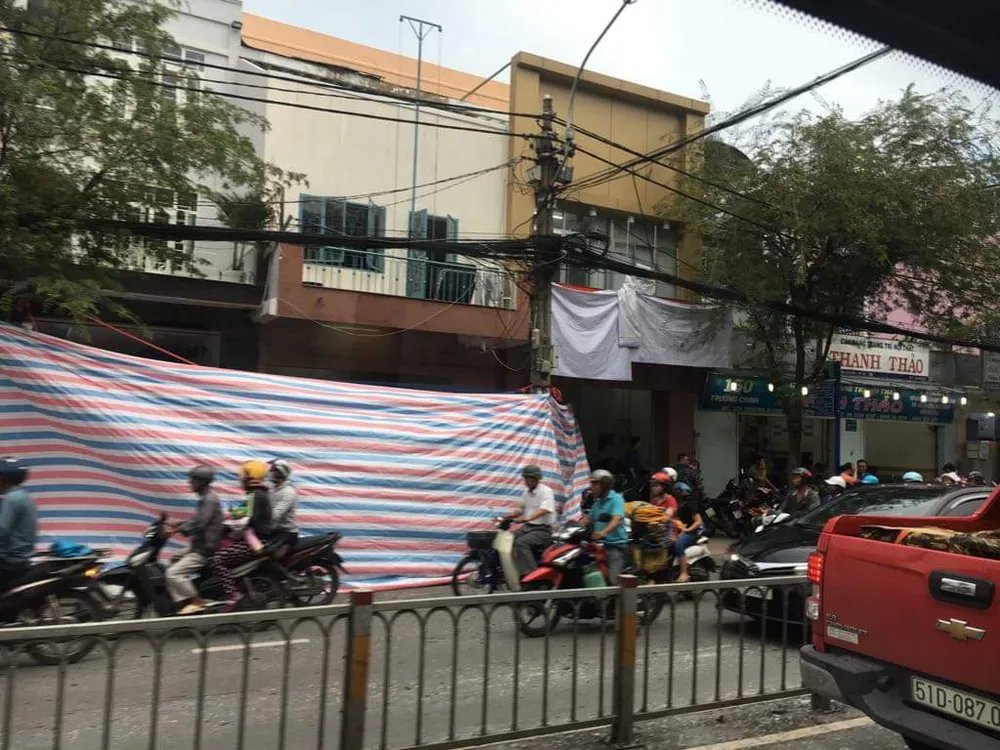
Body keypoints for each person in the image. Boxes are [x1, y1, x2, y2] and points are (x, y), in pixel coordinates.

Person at [213, 460, 274, 609]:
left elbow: (249, 519)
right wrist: (230, 515)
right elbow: (244, 510)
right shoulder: (258, 494)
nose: (240, 480)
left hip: (256, 543)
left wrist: (229, 525)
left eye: (243, 477)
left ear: (249, 477)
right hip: (256, 539)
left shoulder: (256, 495)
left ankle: (233, 595)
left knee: (217, 559)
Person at [164, 465, 223, 615]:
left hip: (204, 549)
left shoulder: (209, 499)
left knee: (172, 573)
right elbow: (198, 519)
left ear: (202, 482)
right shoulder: (206, 497)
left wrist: (177, 529)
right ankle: (184, 598)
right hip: (198, 545)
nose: (190, 483)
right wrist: (178, 524)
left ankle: (197, 601)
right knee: (175, 559)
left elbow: (201, 523)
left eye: (193, 480)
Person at [506, 465, 556, 576]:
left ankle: (533, 575)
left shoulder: (546, 491)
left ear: (537, 478)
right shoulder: (526, 493)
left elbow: (543, 510)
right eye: (526, 478)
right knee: (508, 538)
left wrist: (528, 518)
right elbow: (519, 510)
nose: (527, 481)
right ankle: (515, 572)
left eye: (530, 478)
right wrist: (506, 517)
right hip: (528, 527)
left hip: (543, 530)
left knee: (521, 542)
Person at [584, 469, 629, 584]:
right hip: (599, 546)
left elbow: (616, 519)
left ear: (605, 485)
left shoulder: (616, 499)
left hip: (615, 546)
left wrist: (603, 533)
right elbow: (587, 519)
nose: (591, 487)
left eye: (595, 484)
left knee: (613, 582)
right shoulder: (598, 502)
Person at [0, 458, 37, 585]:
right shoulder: (25, 496)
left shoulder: (11, 499)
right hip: (24, 558)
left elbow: (2, 530)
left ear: (3, 478)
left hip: (10, 561)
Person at [672, 482, 703, 583]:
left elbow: (698, 521)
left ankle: (684, 573)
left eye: (677, 491)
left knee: (678, 544)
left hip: (691, 533)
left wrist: (687, 530)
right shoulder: (675, 505)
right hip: (679, 531)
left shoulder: (690, 505)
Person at [268, 459, 299, 551]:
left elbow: (274, 515)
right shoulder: (272, 488)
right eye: (272, 470)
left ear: (282, 473)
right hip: (274, 532)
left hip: (287, 533)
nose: (272, 473)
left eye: (274, 470)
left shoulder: (288, 492)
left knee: (271, 555)